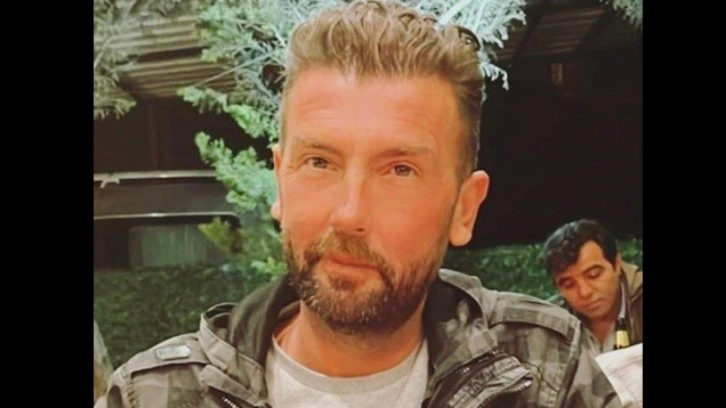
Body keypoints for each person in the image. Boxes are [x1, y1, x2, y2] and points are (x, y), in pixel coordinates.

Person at [95, 1, 622, 407]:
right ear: (280, 182)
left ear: (465, 208)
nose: (349, 214)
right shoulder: (155, 397)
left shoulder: (545, 373)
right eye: (319, 162)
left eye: (400, 170)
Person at [543, 219, 643, 354]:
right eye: (569, 285)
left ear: (617, 264)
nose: (584, 292)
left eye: (593, 275)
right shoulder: (549, 323)